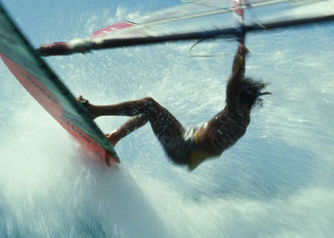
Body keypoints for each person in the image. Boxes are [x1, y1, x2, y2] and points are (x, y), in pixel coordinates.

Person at [80, 43, 269, 170]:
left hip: (183, 148)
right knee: (150, 112)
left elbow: (234, 81)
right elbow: (236, 82)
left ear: (241, 96)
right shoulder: (241, 116)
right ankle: (114, 137)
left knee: (149, 105)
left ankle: (94, 111)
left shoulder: (236, 113)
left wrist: (240, 56)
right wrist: (241, 58)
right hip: (185, 143)